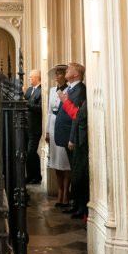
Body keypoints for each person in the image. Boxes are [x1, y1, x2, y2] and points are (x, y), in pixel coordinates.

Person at [55, 63, 87, 216]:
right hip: (67, 134)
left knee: (78, 172)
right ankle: (76, 204)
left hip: (73, 136)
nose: (66, 70)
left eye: (70, 69)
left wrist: (72, 138)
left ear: (77, 74)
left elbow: (77, 117)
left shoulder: (80, 90)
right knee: (74, 171)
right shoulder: (71, 88)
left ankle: (81, 207)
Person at [45, 65, 71, 207]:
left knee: (65, 162)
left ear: (64, 76)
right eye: (56, 74)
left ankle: (66, 194)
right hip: (54, 124)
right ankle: (59, 191)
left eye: (60, 74)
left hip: (64, 125)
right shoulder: (51, 90)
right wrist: (47, 131)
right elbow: (49, 112)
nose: (57, 76)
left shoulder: (69, 90)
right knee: (55, 162)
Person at [68, 101, 89, 220]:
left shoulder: (81, 93)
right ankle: (80, 207)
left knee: (80, 179)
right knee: (78, 178)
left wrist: (66, 102)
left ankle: (84, 211)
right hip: (79, 144)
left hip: (82, 145)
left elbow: (77, 118)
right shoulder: (83, 104)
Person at [23, 69, 43, 184]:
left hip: (34, 127)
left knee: (31, 152)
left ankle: (37, 176)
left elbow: (40, 108)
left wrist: (27, 103)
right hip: (25, 125)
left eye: (31, 77)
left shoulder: (41, 91)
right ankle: (30, 175)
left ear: (37, 78)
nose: (29, 78)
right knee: (26, 152)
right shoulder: (30, 89)